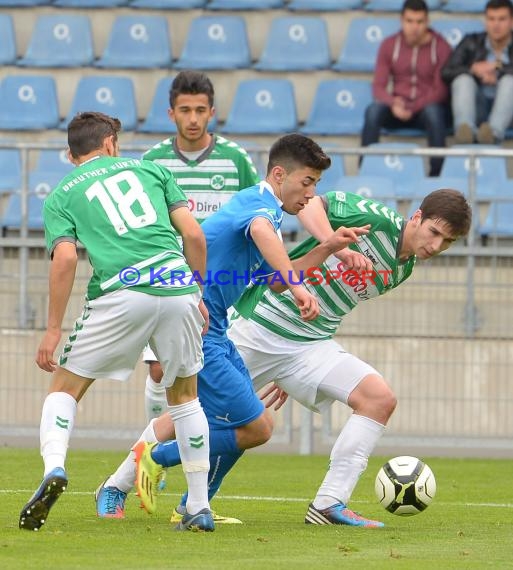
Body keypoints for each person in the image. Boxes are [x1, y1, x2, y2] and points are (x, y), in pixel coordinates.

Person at [96, 134, 370, 525]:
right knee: (253, 427)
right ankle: (149, 464)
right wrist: (298, 288)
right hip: (194, 324)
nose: (311, 194)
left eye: (316, 185)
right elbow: (264, 238)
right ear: (279, 174)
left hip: (216, 328)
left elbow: (274, 279)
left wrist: (326, 248)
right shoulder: (259, 206)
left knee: (250, 425)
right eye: (307, 182)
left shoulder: (264, 211)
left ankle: (193, 506)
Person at [228, 188, 472, 527]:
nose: (436, 246)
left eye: (447, 242)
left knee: (379, 399)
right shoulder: (377, 220)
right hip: (260, 326)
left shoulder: (403, 269)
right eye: (434, 232)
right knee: (195, 413)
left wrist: (294, 367)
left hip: (307, 344)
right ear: (416, 217)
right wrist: (335, 246)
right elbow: (311, 203)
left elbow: (334, 302)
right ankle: (125, 482)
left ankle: (329, 504)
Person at [19, 111, 213, 532]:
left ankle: (54, 468)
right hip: (177, 285)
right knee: (185, 396)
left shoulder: (61, 194)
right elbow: (195, 236)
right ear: (110, 143)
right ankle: (199, 507)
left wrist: (53, 328)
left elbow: (66, 257)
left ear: (72, 155)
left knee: (65, 389)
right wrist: (196, 292)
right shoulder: (153, 169)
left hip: (121, 291)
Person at [141, 70, 260, 425]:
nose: (192, 119)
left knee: (201, 372)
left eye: (199, 110)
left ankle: (179, 450)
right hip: (166, 280)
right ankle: (151, 453)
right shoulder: (152, 161)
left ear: (212, 113)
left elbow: (259, 217)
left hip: (220, 285)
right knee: (160, 370)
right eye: (184, 110)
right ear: (171, 114)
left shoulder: (236, 160)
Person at [361, 0, 452, 176]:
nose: (414, 27)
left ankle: (436, 175)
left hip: (423, 110)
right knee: (373, 110)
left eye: (419, 22)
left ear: (427, 21)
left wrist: (414, 106)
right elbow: (378, 87)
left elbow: (440, 91)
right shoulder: (389, 45)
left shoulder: (440, 46)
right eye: (410, 21)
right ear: (401, 20)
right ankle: (364, 170)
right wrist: (393, 102)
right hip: (397, 107)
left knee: (434, 112)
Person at [441, 0, 513, 145]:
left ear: (511, 21)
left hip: (509, 114)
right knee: (463, 79)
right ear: (485, 21)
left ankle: (493, 134)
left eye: (502, 19)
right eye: (491, 19)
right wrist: (473, 70)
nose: (496, 25)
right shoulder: (471, 41)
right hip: (477, 107)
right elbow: (446, 72)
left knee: (509, 81)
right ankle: (465, 131)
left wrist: (497, 69)